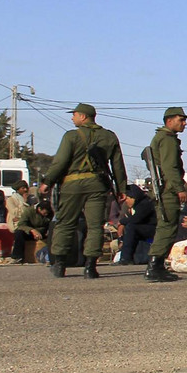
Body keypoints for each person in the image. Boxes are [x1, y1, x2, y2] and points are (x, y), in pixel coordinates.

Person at [39, 103, 127, 279]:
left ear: (83, 117)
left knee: (65, 224)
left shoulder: (71, 136)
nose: (72, 118)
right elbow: (117, 165)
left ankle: (59, 265)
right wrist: (121, 188)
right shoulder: (109, 137)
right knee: (95, 226)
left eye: (74, 115)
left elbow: (60, 162)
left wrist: (47, 181)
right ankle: (90, 267)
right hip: (98, 185)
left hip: (72, 185)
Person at [144, 107, 187, 282]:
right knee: (167, 227)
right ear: (169, 121)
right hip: (168, 190)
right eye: (181, 120)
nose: (184, 123)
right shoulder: (168, 139)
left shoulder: (163, 138)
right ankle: (154, 267)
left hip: (164, 188)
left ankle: (156, 266)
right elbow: (170, 166)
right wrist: (179, 188)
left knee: (167, 226)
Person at [117, 184, 156, 266]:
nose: (126, 201)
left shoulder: (145, 204)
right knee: (130, 228)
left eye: (127, 198)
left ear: (133, 197)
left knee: (131, 227)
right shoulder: (137, 205)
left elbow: (136, 219)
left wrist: (122, 221)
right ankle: (126, 257)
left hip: (153, 229)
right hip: (145, 228)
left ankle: (126, 258)